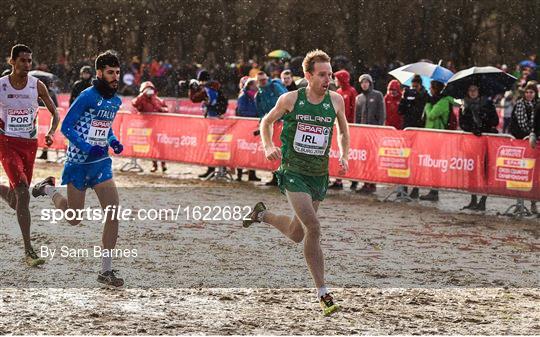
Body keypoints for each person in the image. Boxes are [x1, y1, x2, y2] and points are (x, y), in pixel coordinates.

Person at [244, 50, 349, 316]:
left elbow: (344, 130)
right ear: (308, 75)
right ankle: (323, 292)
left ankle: (262, 214)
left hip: (318, 174)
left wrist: (344, 154)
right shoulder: (291, 99)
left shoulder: (336, 101)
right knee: (313, 226)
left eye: (330, 74)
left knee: (296, 233)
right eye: (323, 75)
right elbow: (266, 121)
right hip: (293, 172)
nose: (328, 79)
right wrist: (268, 145)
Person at [32, 50, 125, 286]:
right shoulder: (87, 96)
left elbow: (104, 127)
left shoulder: (116, 101)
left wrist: (112, 140)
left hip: (101, 163)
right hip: (78, 164)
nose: (115, 77)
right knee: (74, 218)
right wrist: (85, 146)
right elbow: (67, 127)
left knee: (113, 211)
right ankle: (47, 190)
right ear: (99, 73)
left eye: (117, 72)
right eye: (110, 72)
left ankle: (106, 271)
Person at [0, 44, 59, 266]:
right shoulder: (2, 85)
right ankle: (29, 251)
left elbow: (55, 112)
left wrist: (52, 132)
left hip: (29, 145)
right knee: (24, 194)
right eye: (22, 60)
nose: (27, 64)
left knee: (18, 199)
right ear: (12, 62)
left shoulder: (37, 85)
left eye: (29, 61)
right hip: (6, 143)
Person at [459, 84, 499, 211]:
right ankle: (473, 199)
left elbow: (495, 121)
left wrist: (483, 125)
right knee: (472, 171)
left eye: (475, 90)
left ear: (478, 91)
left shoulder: (487, 104)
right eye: (470, 90)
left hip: (486, 141)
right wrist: (472, 128)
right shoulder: (464, 105)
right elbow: (462, 123)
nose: (472, 92)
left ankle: (483, 200)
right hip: (471, 142)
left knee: (485, 170)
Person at [419, 80, 454, 202]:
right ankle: (433, 190)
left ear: (436, 88)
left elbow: (432, 115)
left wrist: (428, 105)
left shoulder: (443, 101)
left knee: (435, 164)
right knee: (432, 164)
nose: (430, 90)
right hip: (431, 136)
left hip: (438, 136)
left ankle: (435, 191)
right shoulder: (436, 100)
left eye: (431, 88)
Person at [398, 74, 428, 199]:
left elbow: (421, 111)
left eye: (416, 86)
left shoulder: (425, 96)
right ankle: (403, 187)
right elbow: (401, 111)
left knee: (416, 161)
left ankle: (416, 188)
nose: (414, 88)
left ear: (421, 85)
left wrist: (416, 98)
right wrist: (404, 99)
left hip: (419, 130)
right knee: (405, 159)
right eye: (413, 86)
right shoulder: (407, 93)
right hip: (407, 129)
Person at [255, 71, 288, 186]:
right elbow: (260, 111)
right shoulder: (258, 94)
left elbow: (286, 101)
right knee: (272, 150)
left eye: (264, 80)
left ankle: (284, 177)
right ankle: (275, 176)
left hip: (282, 123)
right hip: (270, 125)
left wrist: (282, 116)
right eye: (260, 81)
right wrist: (263, 122)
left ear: (267, 78)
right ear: (257, 82)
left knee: (283, 150)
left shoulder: (275, 86)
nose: (263, 82)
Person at [510, 83, 538, 213]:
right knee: (520, 175)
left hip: (535, 145)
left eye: (531, 92)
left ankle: (534, 203)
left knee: (535, 176)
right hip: (521, 144)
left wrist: (533, 135)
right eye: (527, 92)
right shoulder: (518, 106)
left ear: (535, 93)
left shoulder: (538, 106)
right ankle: (519, 203)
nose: (529, 95)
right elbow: (512, 125)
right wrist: (523, 136)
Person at [355, 73, 385, 194]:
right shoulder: (359, 98)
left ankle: (372, 183)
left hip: (374, 133)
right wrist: (356, 131)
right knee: (364, 159)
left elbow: (382, 114)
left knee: (372, 158)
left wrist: (379, 129)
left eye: (366, 82)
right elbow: (356, 117)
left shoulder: (377, 95)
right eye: (362, 82)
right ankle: (365, 182)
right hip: (362, 134)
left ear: (370, 83)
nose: (364, 84)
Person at [329, 69, 358, 190]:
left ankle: (355, 179)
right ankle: (338, 179)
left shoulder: (351, 91)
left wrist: (352, 123)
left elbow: (355, 109)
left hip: (349, 126)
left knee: (351, 153)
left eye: (337, 78)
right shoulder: (338, 92)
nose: (335, 81)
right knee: (338, 153)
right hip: (338, 125)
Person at [132, 80, 169, 173]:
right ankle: (154, 165)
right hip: (147, 128)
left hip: (159, 127)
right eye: (147, 89)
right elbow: (135, 103)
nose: (149, 91)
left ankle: (163, 164)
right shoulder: (141, 99)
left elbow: (166, 109)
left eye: (151, 89)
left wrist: (159, 108)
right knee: (153, 146)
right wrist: (142, 95)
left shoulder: (158, 100)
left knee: (161, 147)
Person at [235, 76, 261, 182]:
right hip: (244, 126)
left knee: (252, 150)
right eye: (255, 84)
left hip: (253, 126)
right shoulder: (243, 96)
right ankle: (239, 174)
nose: (257, 86)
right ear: (250, 86)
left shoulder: (257, 95)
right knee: (242, 149)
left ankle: (252, 173)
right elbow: (241, 111)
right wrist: (254, 115)